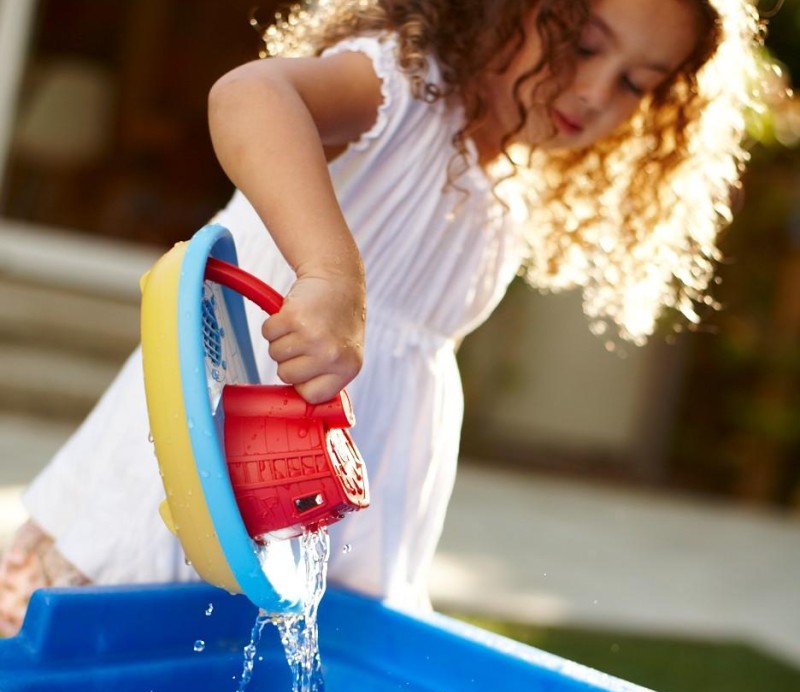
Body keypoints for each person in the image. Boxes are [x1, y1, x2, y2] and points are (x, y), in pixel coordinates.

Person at [0, 0, 768, 635]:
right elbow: (251, 96)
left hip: (324, 530)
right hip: (201, 473)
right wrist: (331, 271)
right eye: (582, 43)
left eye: (637, 81)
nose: (596, 91)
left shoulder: (499, 190)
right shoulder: (402, 92)